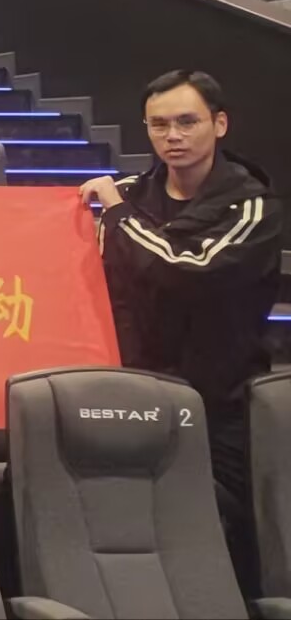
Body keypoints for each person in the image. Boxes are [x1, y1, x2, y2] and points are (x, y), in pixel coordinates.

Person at [84, 70, 280, 575]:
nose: (173, 136)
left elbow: (185, 271)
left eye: (187, 122)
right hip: (132, 393)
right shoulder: (129, 194)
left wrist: (119, 217)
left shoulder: (252, 206)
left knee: (225, 536)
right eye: (159, 124)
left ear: (219, 124)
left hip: (217, 404)